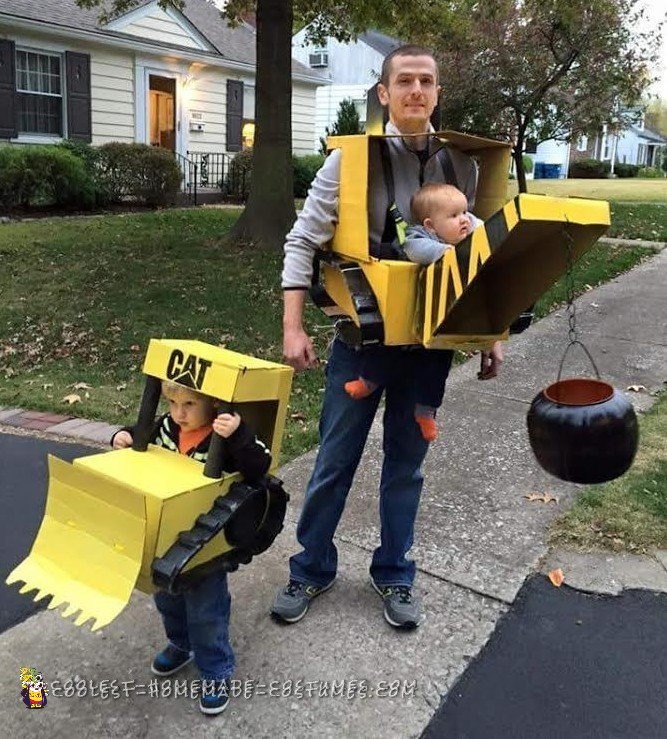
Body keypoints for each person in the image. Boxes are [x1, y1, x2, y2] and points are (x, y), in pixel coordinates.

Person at [272, 45, 503, 630]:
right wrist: (293, 325)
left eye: (427, 81)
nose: (416, 91)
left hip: (429, 348)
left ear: (437, 93)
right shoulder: (348, 162)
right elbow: (301, 242)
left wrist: (489, 332)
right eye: (404, 81)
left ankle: (395, 573)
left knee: (407, 466)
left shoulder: (465, 166)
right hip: (361, 341)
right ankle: (311, 567)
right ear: (383, 93)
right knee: (334, 460)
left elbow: (474, 257)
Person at [111, 380, 270, 715]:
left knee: (206, 612)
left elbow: (260, 464)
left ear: (212, 403)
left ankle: (216, 669)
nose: (178, 413)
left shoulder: (224, 434)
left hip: (206, 543)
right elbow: (142, 438)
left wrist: (238, 433)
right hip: (166, 537)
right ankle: (180, 643)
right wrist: (123, 436)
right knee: (166, 597)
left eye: (189, 405)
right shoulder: (167, 427)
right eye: (172, 403)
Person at [344, 182, 484, 442]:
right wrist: (452, 254)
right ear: (431, 225)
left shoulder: (469, 234)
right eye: (454, 216)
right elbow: (415, 250)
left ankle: (426, 411)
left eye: (465, 212)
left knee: (437, 367)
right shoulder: (420, 236)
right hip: (406, 315)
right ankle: (369, 380)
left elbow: (482, 227)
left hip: (439, 322)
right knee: (386, 347)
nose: (464, 220)